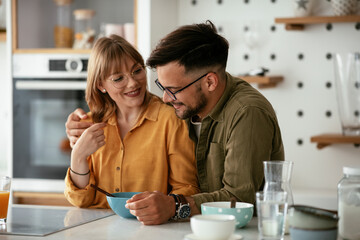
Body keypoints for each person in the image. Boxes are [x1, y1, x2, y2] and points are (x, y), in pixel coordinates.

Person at [66, 21, 284, 225]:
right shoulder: (190, 106)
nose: (165, 99)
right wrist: (76, 148)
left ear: (210, 82)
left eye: (173, 89)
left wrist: (173, 205)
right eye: (162, 87)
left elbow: (238, 198)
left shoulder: (246, 113)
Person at [64, 34, 199, 209]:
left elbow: (187, 189)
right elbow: (81, 200)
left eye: (137, 71)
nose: (133, 83)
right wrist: (78, 156)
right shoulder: (89, 124)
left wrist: (163, 208)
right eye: (118, 78)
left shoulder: (170, 120)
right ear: (100, 85)